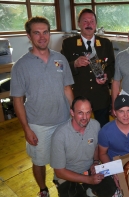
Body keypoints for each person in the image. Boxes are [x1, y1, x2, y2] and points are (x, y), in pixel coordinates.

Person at [10, 16, 74, 197]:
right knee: (39, 161)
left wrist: (75, 114)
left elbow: (67, 89)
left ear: (50, 34)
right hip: (38, 125)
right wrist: (26, 129)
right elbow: (17, 100)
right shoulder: (21, 66)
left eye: (45, 32)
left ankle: (59, 179)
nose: (42, 37)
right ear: (29, 36)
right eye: (36, 33)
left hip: (63, 120)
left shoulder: (60, 59)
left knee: (63, 157)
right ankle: (43, 190)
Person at [50, 96, 117, 197]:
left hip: (90, 170)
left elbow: (96, 146)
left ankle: (90, 191)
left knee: (113, 190)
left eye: (88, 112)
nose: (85, 117)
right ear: (72, 113)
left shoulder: (95, 125)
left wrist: (95, 162)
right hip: (68, 176)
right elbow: (59, 172)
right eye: (80, 113)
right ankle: (90, 191)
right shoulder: (60, 135)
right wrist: (89, 180)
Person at [61, 8, 115, 128]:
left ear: (96, 24)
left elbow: (112, 65)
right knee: (81, 131)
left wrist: (106, 75)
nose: (89, 24)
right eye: (85, 21)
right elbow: (61, 68)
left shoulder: (105, 43)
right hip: (79, 96)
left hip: (100, 97)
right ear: (79, 23)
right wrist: (74, 64)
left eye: (92, 21)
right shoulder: (69, 44)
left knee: (102, 132)